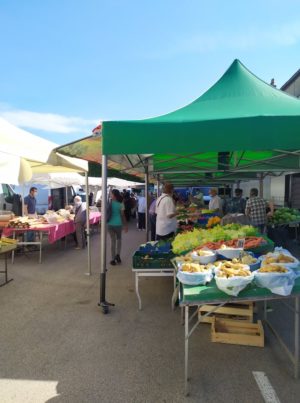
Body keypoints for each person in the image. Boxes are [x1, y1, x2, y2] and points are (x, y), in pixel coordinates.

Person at [107, 189, 128, 265]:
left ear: (114, 195)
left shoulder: (109, 203)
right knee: (119, 239)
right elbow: (122, 215)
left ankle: (113, 259)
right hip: (118, 224)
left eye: (111, 194)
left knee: (113, 241)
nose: (110, 195)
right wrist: (125, 225)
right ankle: (118, 255)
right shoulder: (121, 204)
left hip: (110, 224)